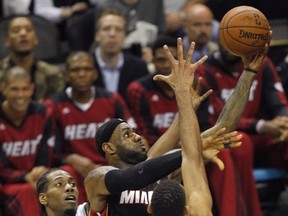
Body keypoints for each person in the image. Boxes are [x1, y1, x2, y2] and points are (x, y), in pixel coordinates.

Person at [84, 38, 250, 215]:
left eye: (134, 132)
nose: (138, 136)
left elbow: (225, 127)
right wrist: (191, 149)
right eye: (127, 134)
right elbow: (133, 177)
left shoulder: (163, 174)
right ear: (109, 147)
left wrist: (249, 71)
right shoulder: (98, 178)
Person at [127, 35, 264, 215]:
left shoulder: (110, 189)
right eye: (126, 134)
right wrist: (249, 72)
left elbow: (219, 130)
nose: (136, 135)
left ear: (150, 208)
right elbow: (193, 156)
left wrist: (184, 98)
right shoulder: (197, 211)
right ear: (187, 211)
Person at [197, 40, 288, 215]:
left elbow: (278, 103)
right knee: (239, 141)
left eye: (239, 41)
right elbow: (219, 119)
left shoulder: (263, 64)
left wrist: (284, 123)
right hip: (228, 138)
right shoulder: (205, 70)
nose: (230, 46)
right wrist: (260, 125)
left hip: (262, 140)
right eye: (227, 40)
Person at [45, 51, 136, 204]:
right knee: (64, 174)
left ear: (94, 74)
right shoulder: (53, 106)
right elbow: (50, 152)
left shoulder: (112, 99)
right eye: (75, 70)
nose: (81, 74)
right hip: (77, 172)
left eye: (86, 69)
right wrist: (71, 158)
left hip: (111, 168)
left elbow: (133, 136)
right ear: (66, 75)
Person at [0, 66, 54, 216]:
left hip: (35, 176)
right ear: (3, 89)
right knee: (28, 191)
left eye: (25, 89)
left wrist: (41, 168)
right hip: (8, 182)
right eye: (14, 89)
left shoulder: (43, 113)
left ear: (32, 89)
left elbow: (47, 151)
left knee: (61, 179)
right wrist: (24, 176)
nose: (20, 95)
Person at [0, 15, 65, 103]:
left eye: (29, 30)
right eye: (16, 30)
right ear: (7, 41)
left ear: (36, 39)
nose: (23, 34)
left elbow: (56, 108)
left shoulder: (53, 74)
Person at [92, 8, 149, 101]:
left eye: (118, 29)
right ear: (97, 35)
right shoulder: (83, 68)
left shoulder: (139, 68)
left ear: (125, 36)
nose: (112, 34)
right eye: (106, 29)